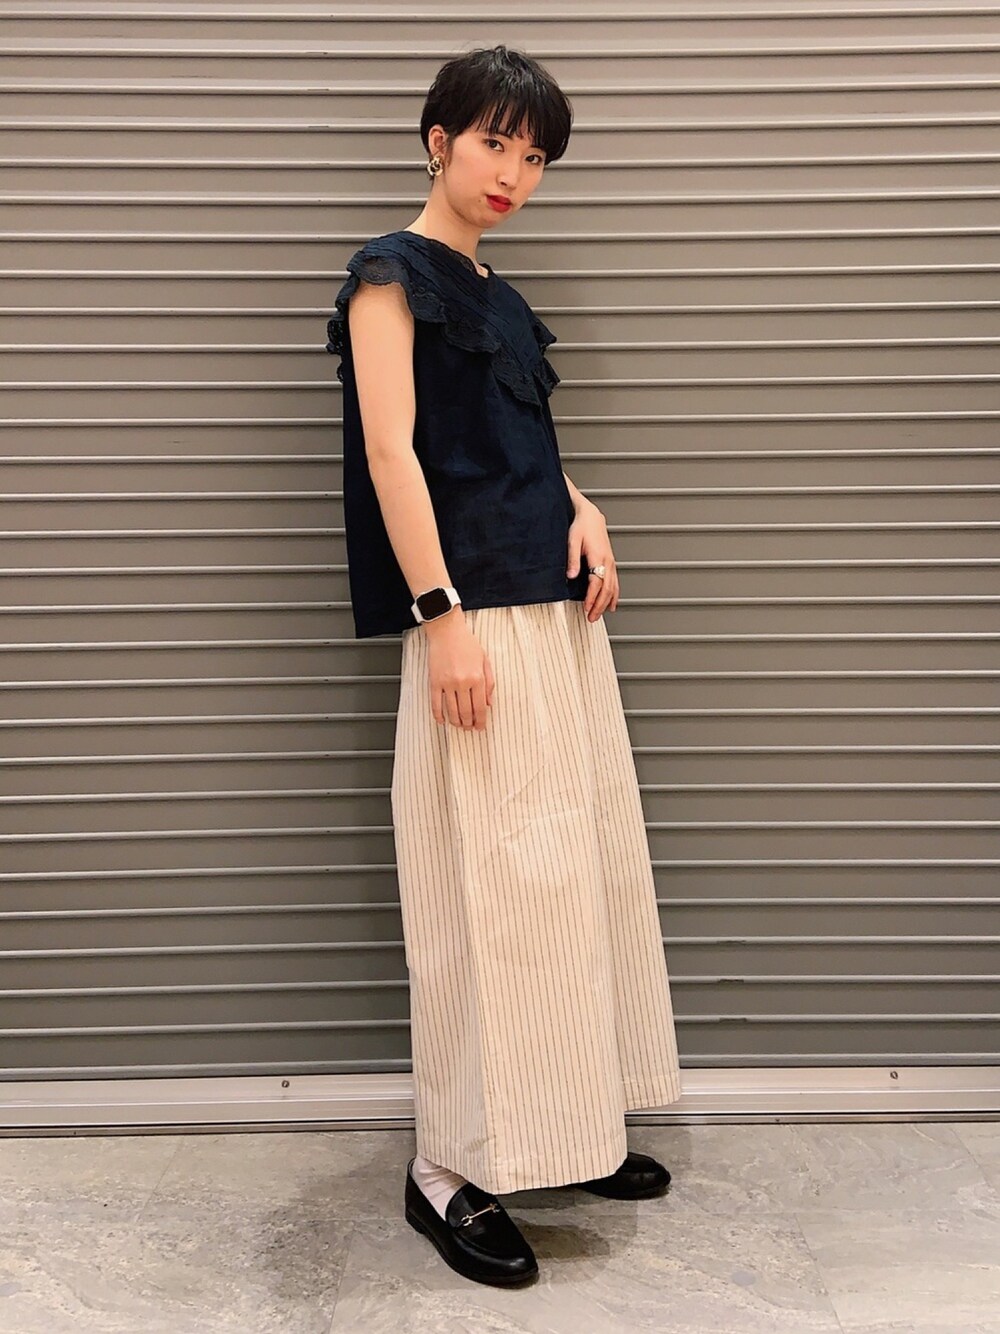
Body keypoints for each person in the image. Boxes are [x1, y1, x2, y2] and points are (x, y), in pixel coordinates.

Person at [325, 44, 682, 1288]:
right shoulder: (388, 278)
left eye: (534, 157)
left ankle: (565, 1128)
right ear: (438, 140)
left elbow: (522, 440)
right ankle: (447, 1168)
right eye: (494, 143)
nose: (513, 174)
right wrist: (441, 619)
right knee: (477, 896)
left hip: (556, 616)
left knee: (568, 882)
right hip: (473, 621)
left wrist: (584, 506)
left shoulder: (504, 297)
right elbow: (391, 453)